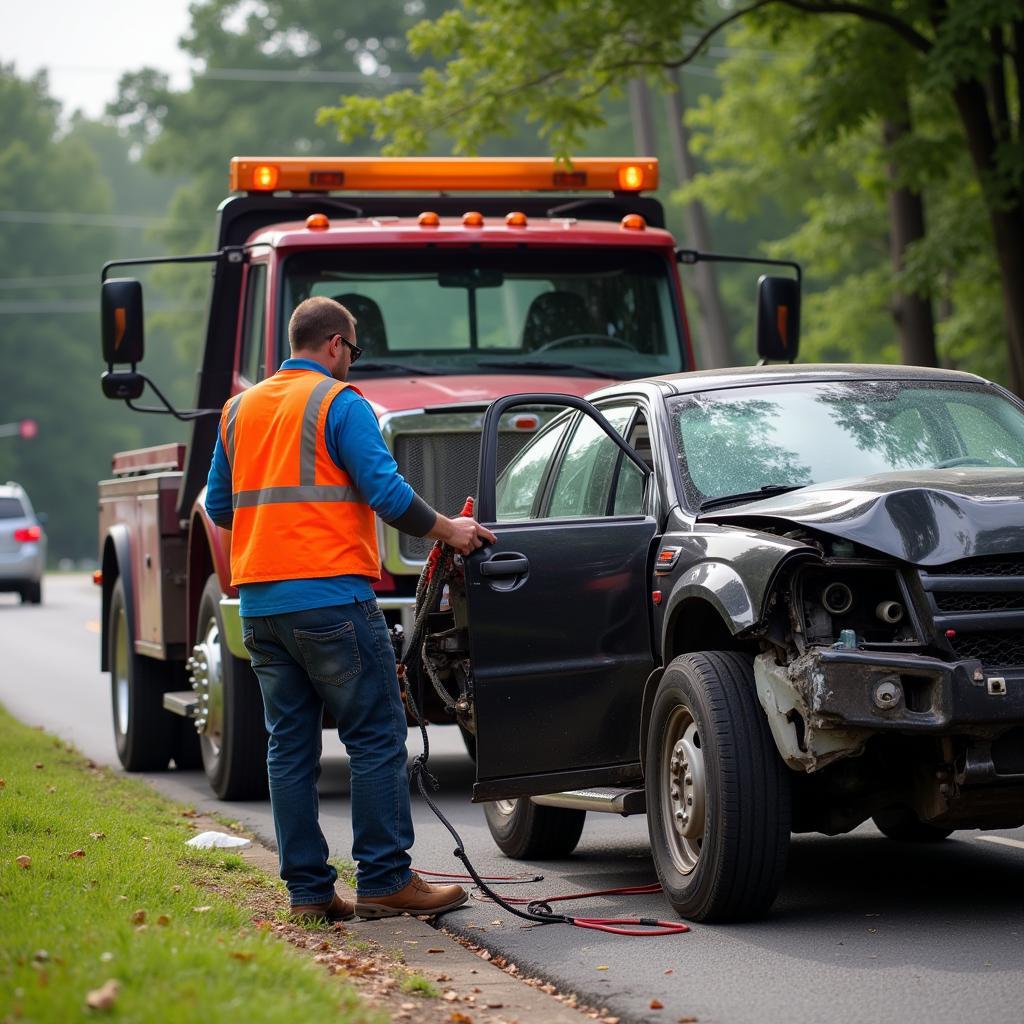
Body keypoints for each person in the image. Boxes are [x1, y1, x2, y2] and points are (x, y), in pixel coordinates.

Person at [205, 295, 496, 921]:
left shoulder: (239, 410)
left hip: (260, 605)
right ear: (335, 344)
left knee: (289, 748)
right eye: (353, 349)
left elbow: (219, 507)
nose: (351, 360)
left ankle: (309, 893)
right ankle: (386, 878)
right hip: (333, 599)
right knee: (375, 736)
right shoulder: (341, 403)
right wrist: (452, 531)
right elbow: (387, 493)